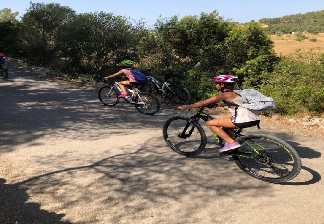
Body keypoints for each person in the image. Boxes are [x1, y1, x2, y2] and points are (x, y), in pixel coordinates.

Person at [177, 74, 260, 153]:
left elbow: (204, 102)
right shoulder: (237, 92)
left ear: (222, 85)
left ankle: (232, 143)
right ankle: (231, 145)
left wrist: (187, 106)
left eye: (217, 83)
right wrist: (220, 104)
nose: (215, 85)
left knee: (210, 123)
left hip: (243, 119)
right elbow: (236, 103)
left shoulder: (225, 94)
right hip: (254, 118)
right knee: (223, 125)